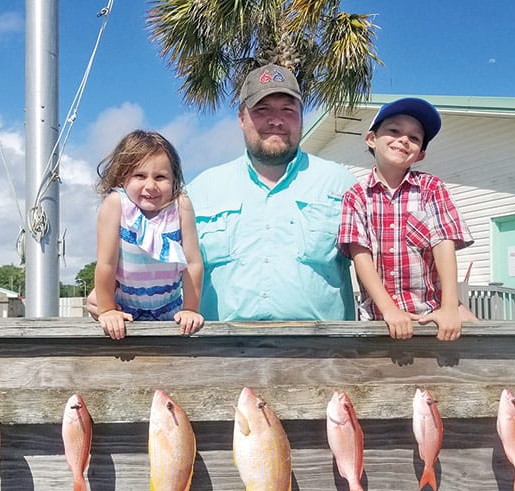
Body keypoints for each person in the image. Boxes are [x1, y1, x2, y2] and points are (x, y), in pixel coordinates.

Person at [187, 63, 357, 321]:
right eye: (262, 109)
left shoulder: (342, 184)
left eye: (288, 110)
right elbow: (162, 264)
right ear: (241, 119)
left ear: (301, 117)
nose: (276, 120)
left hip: (324, 355)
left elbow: (385, 260)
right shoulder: (199, 190)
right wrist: (112, 295)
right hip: (220, 354)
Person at [337, 97, 474, 341]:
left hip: (430, 315)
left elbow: (444, 243)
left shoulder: (431, 188)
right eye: (394, 130)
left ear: (420, 154)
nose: (403, 139)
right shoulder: (355, 197)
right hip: (380, 320)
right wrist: (390, 310)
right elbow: (361, 256)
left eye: (414, 137)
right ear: (371, 139)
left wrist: (450, 307)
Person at [90, 130, 204, 340]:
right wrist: (107, 310)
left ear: (174, 180)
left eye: (160, 177)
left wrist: (190, 309)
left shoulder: (181, 206)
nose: (150, 186)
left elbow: (193, 262)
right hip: (124, 311)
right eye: (139, 176)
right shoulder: (116, 204)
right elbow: (106, 264)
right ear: (123, 177)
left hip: (171, 311)